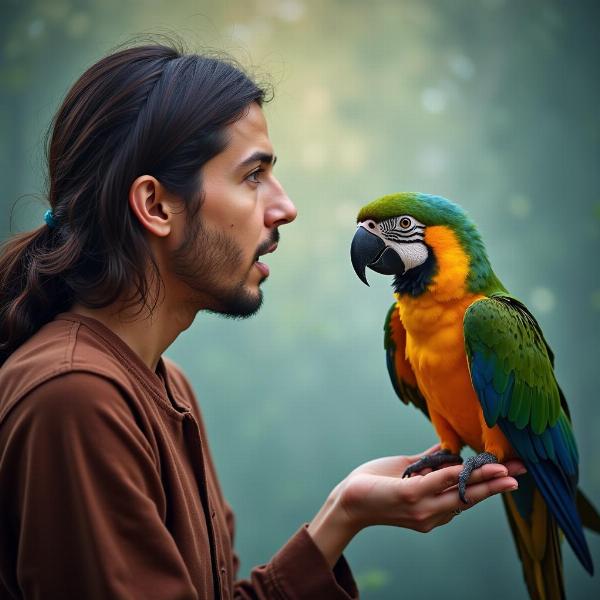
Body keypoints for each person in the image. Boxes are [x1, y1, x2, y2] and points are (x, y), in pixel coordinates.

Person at [0, 43, 524, 599]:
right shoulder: (77, 396)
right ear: (155, 206)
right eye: (253, 176)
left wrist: (342, 514)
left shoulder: (163, 381)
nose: (285, 207)